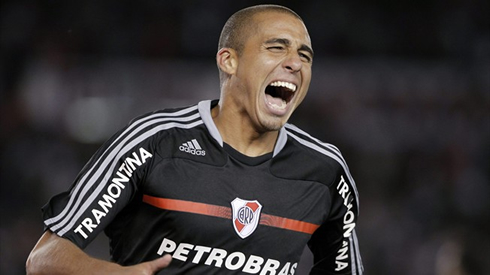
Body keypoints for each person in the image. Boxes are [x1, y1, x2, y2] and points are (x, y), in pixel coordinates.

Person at [26, 4, 363, 274]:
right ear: (229, 60)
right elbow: (44, 259)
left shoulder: (326, 172)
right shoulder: (154, 142)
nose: (294, 63)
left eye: (305, 56)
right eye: (277, 48)